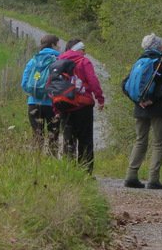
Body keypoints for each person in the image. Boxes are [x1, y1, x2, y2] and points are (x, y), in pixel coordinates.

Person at [122, 33, 162, 190]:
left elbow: (125, 84)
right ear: (159, 47)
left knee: (140, 141)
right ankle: (153, 179)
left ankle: (131, 176)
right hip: (158, 108)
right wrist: (153, 99)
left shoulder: (139, 61)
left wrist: (138, 100)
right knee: (158, 143)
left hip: (140, 108)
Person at [56, 39, 105, 173]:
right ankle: (85, 172)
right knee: (85, 139)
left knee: (68, 139)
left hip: (64, 105)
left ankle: (68, 170)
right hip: (83, 105)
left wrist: (56, 108)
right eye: (83, 50)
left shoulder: (59, 61)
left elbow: (52, 84)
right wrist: (100, 98)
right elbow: (93, 81)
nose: (85, 52)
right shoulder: (84, 62)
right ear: (78, 50)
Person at [21, 34, 61, 152]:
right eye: (58, 44)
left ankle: (37, 163)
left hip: (33, 103)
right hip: (52, 104)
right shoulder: (59, 60)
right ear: (53, 45)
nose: (59, 47)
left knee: (37, 136)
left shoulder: (33, 60)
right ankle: (52, 162)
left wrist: (34, 93)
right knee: (53, 136)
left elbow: (24, 84)